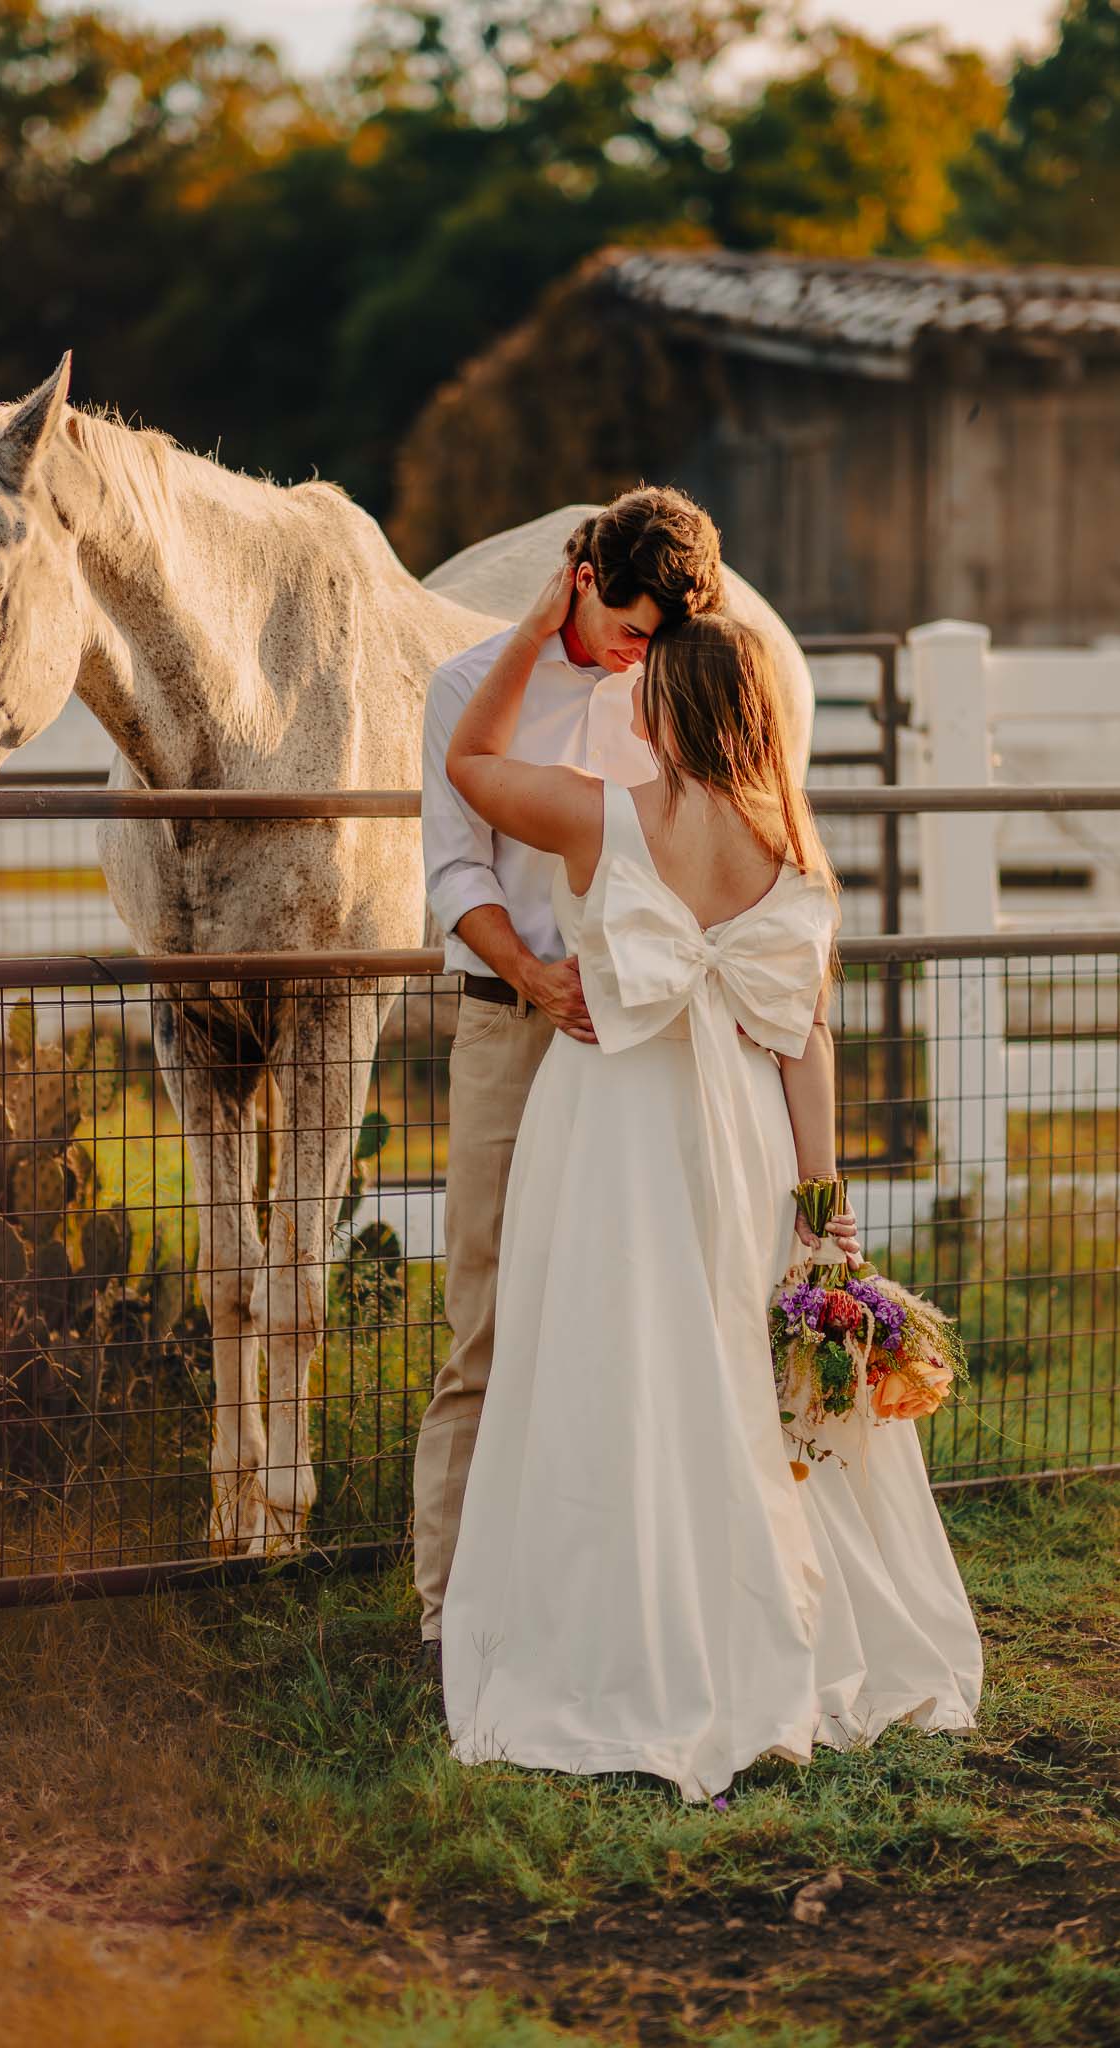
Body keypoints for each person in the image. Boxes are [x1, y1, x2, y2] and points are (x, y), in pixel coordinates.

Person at [435, 569, 982, 1798]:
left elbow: (470, 765)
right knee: (734, 1369)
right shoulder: (792, 848)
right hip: (741, 1137)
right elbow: (808, 1035)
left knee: (613, 1366)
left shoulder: (601, 815)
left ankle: (622, 1627)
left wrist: (534, 628)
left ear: (670, 707)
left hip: (614, 1132)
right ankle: (757, 1618)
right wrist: (820, 1203)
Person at [413, 486, 814, 1661]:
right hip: (515, 1021)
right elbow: (453, 866)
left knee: (637, 1320)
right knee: (485, 1319)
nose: (642, 655)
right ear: (581, 582)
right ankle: (449, 1604)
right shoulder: (465, 687)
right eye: (630, 629)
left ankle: (604, 1589)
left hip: (645, 1046)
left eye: (661, 639)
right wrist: (534, 977)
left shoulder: (670, 694)